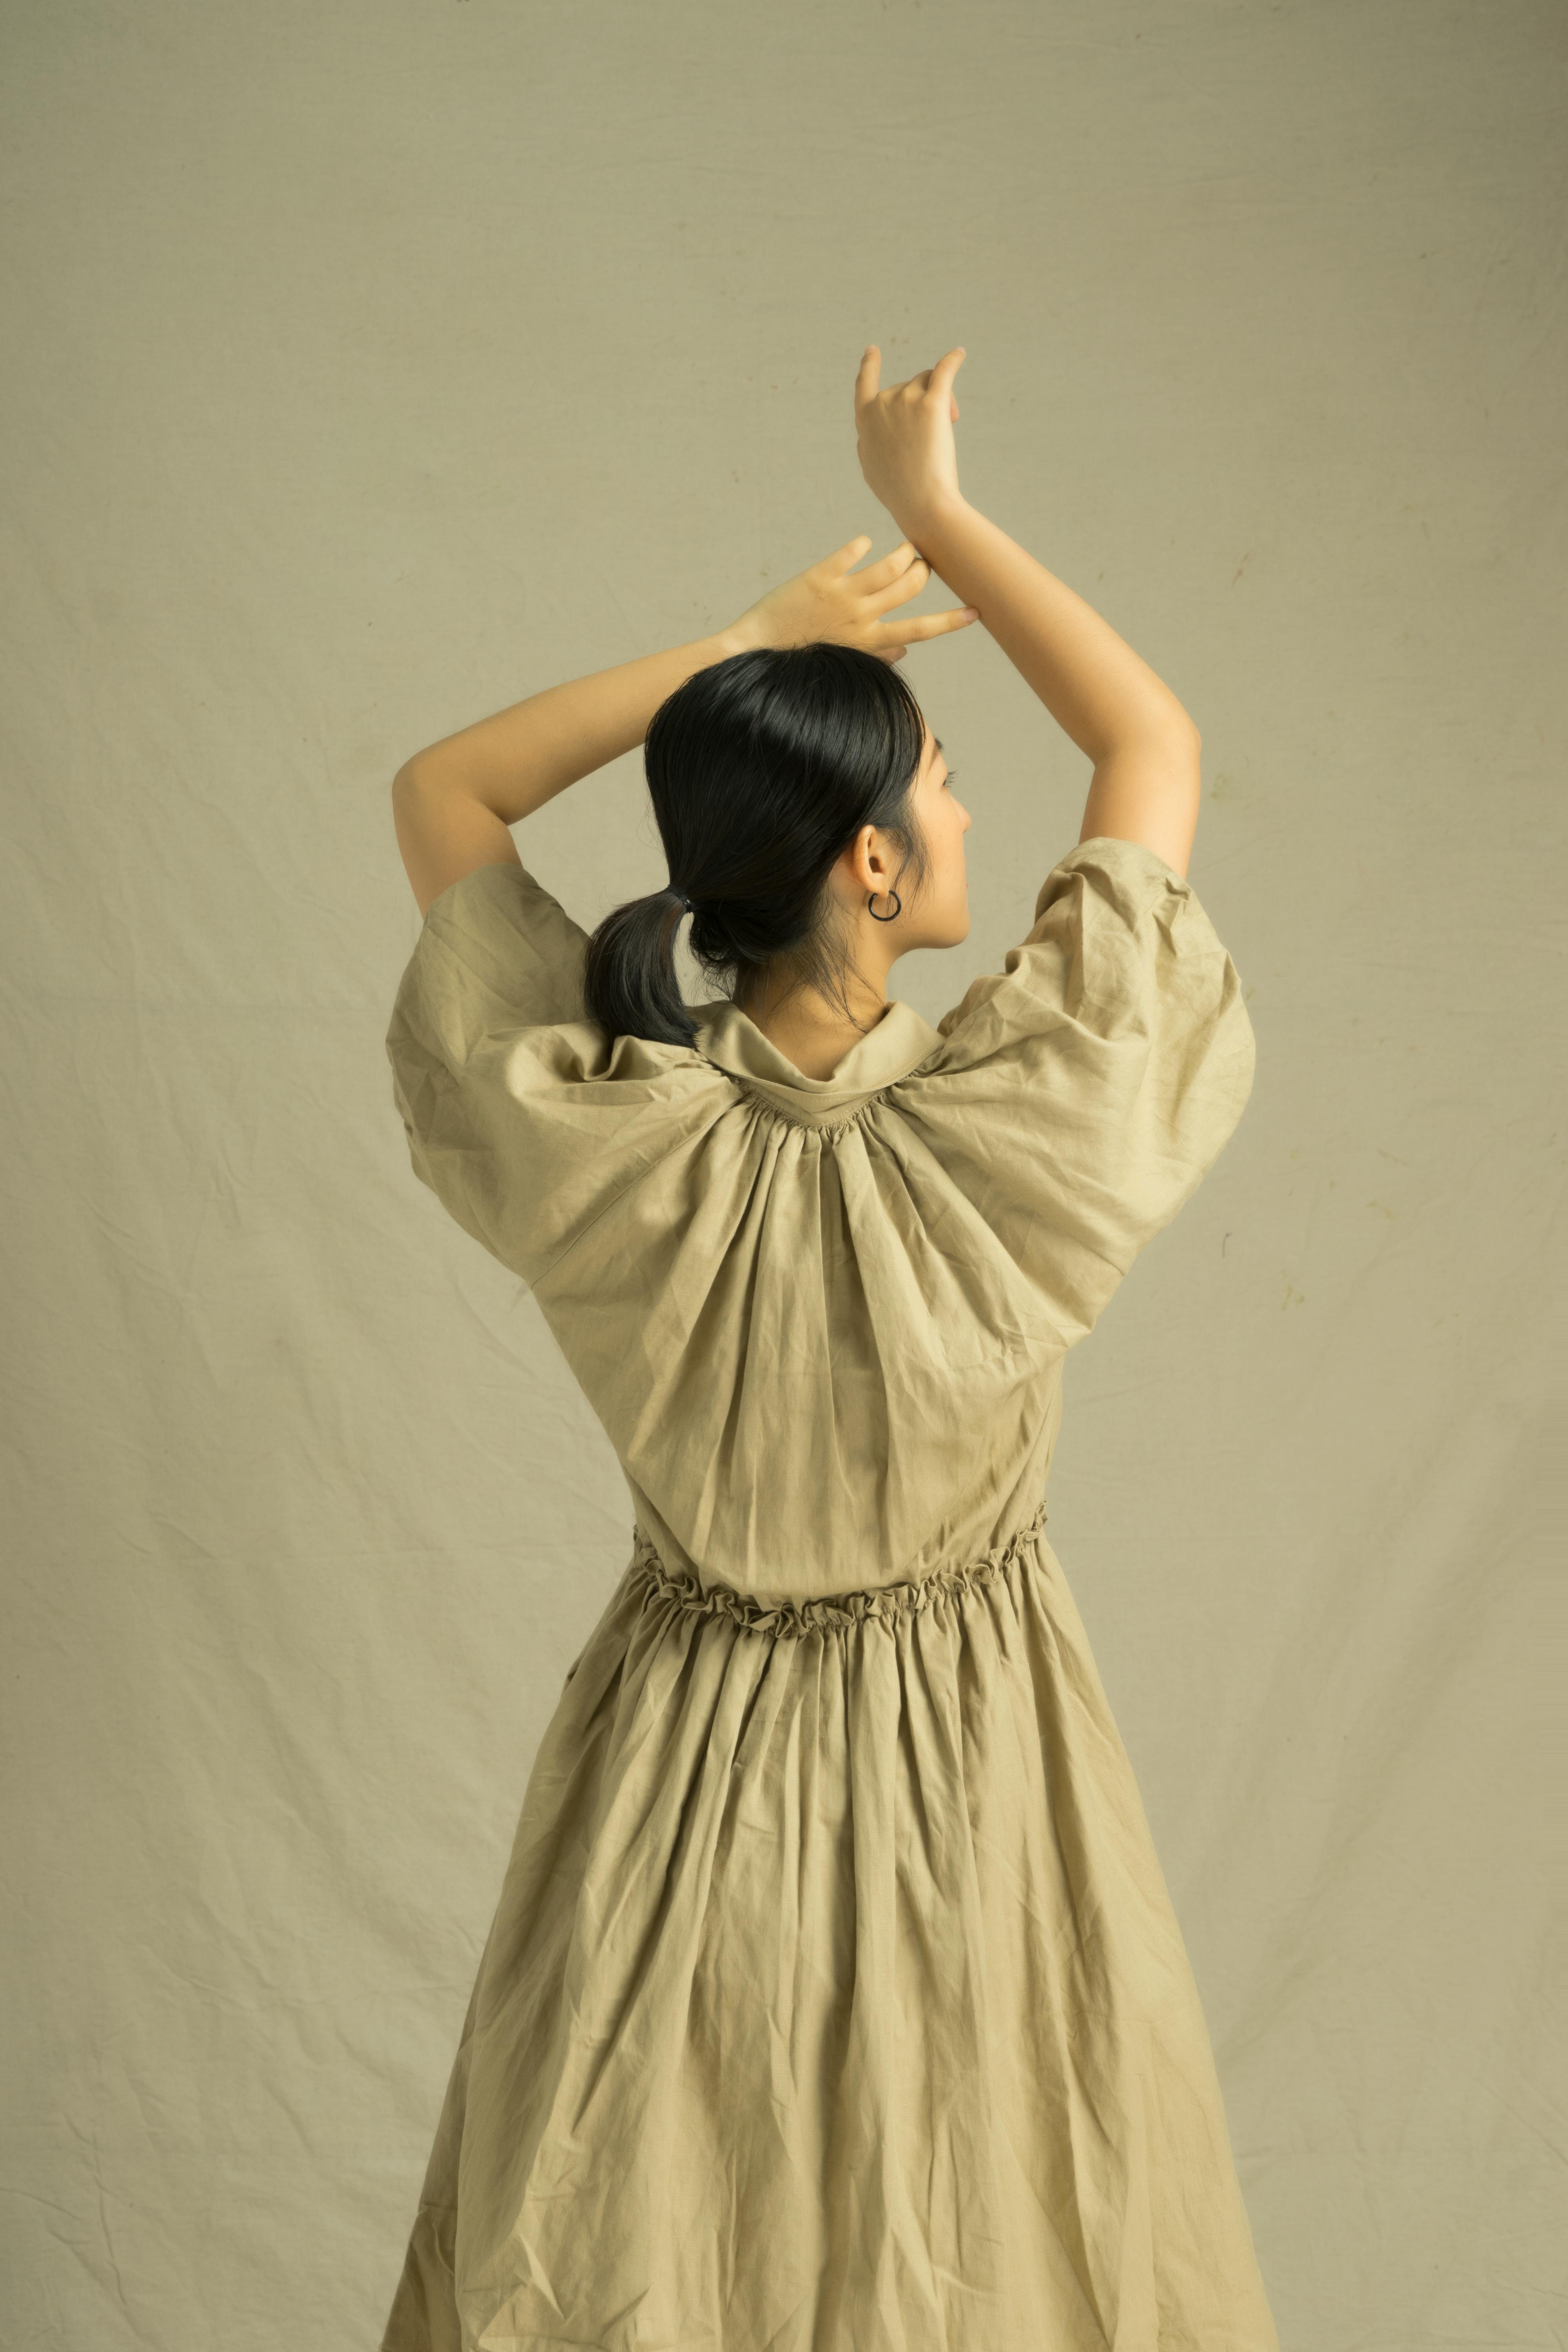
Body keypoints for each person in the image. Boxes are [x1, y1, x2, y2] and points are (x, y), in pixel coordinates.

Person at [379, 346, 1279, 2351]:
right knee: (998, 2249)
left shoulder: (605, 1133)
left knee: (645, 2253)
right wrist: (943, 518)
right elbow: (1153, 746)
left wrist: (757, 643)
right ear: (872, 865)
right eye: (940, 786)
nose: (960, 806)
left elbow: (445, 794)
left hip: (671, 1772)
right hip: (982, 1766)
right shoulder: (1011, 1132)